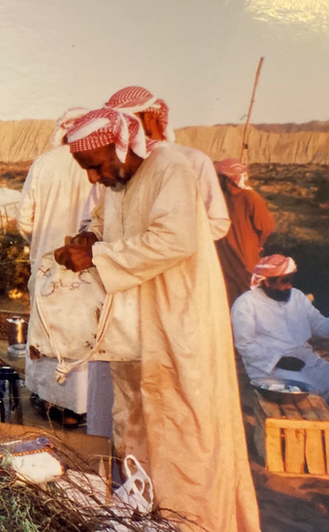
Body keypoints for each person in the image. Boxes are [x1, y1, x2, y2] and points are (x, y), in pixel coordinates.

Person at [54, 107, 259, 532]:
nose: (93, 179)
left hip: (180, 319)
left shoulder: (171, 169)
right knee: (136, 422)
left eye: (94, 167)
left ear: (120, 146)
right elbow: (103, 223)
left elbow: (175, 238)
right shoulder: (117, 182)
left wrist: (98, 255)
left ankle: (196, 522)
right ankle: (146, 520)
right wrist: (89, 238)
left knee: (186, 428)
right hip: (136, 323)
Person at [16, 107, 93, 428]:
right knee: (83, 331)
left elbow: (24, 219)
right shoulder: (93, 163)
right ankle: (80, 406)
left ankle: (48, 399)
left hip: (47, 262)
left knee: (46, 329)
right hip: (88, 266)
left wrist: (40, 243)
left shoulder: (44, 163)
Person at [105, 86, 230, 240]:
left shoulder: (193, 160)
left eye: (125, 122)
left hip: (177, 261)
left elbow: (217, 224)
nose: (119, 130)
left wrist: (165, 239)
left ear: (150, 118)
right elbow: (93, 219)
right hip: (122, 259)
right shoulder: (115, 164)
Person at [232, 255, 329, 399]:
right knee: (305, 393)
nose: (289, 286)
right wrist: (279, 360)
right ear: (266, 283)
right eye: (284, 282)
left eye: (290, 280)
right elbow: (245, 345)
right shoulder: (246, 304)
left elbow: (318, 324)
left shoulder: (297, 296)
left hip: (307, 360)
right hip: (271, 368)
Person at [214, 158, 275, 306]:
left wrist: (257, 245)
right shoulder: (223, 198)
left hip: (244, 258)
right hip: (225, 256)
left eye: (219, 177)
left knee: (248, 295)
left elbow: (266, 227)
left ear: (228, 179)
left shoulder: (251, 198)